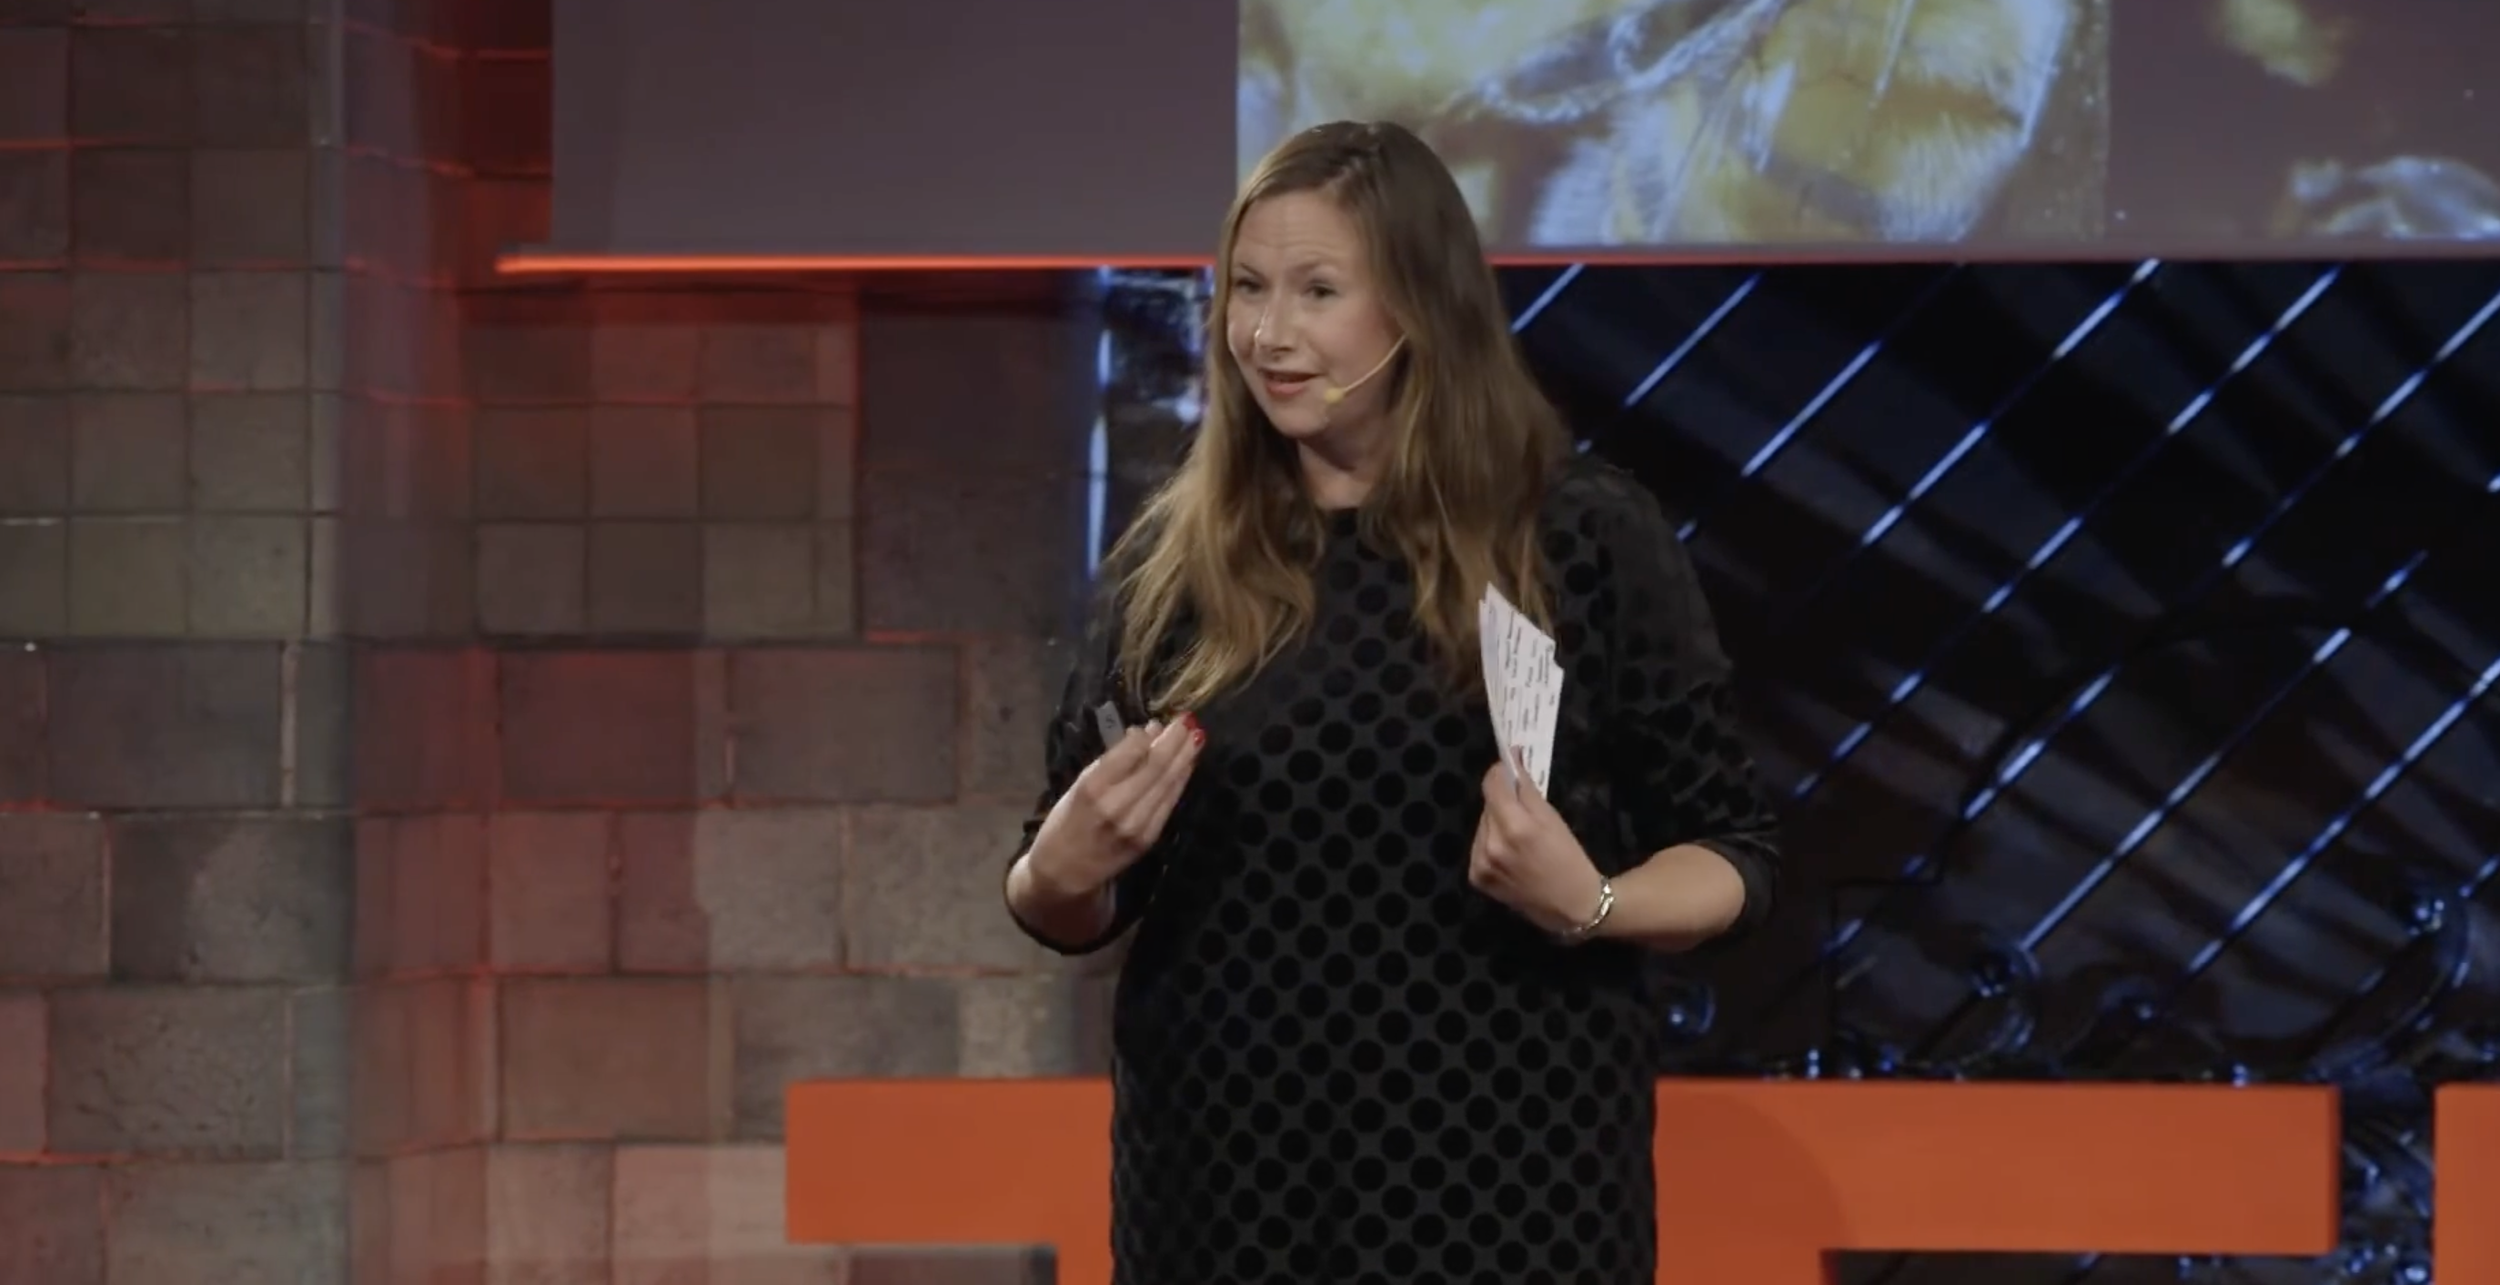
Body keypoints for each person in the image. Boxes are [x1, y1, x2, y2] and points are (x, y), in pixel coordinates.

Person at [1001, 119, 1783, 1285]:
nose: (1268, 333)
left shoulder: (1577, 538)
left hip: (1511, 1198)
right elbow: (1060, 895)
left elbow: (1734, 852)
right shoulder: (1174, 566)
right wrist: (1061, 871)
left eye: (1317, 291)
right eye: (1248, 289)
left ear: (1419, 306)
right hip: (1221, 1198)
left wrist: (1594, 900)